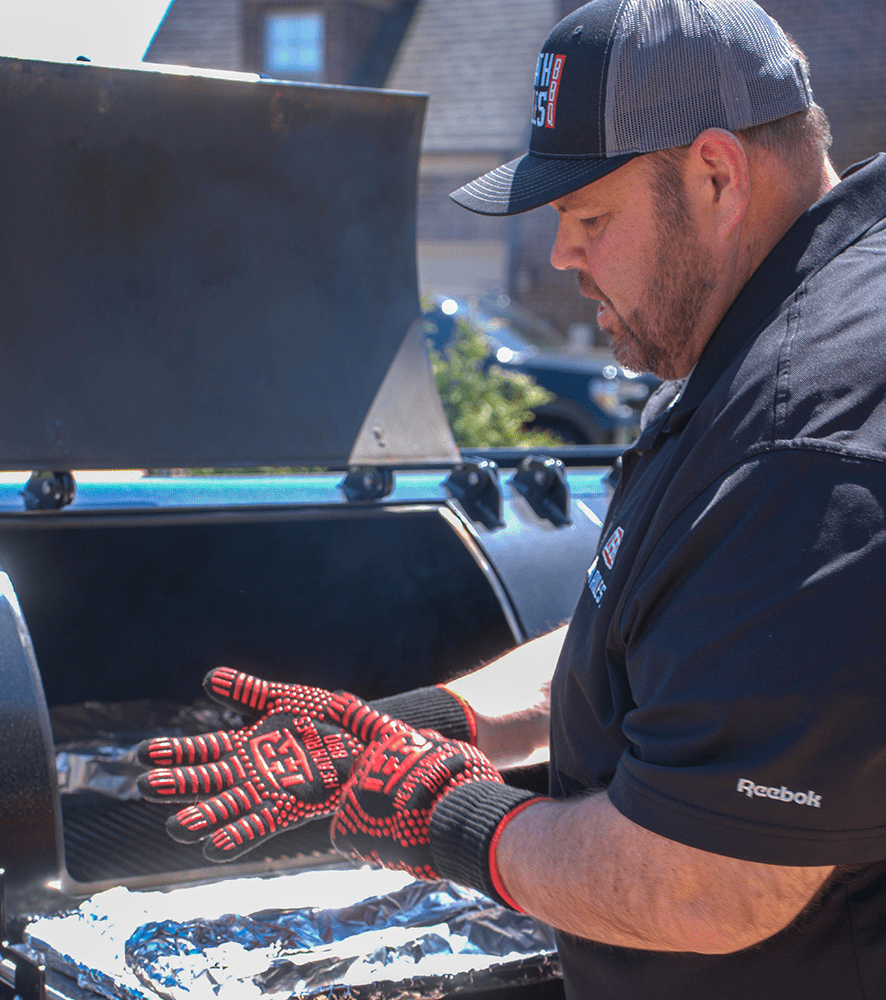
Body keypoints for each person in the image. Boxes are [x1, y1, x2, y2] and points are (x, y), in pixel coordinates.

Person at [138, 0, 886, 995]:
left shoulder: (806, 437)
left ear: (715, 173)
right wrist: (417, 725)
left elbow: (706, 886)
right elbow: (669, 636)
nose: (561, 256)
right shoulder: (767, 339)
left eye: (589, 217)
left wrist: (444, 818)